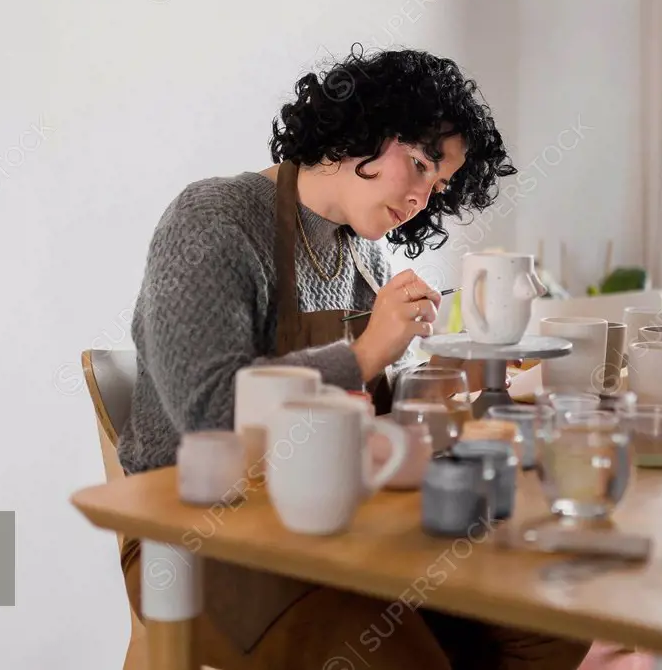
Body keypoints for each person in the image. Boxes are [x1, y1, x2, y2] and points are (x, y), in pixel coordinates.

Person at [115, 46, 590, 670]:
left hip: (332, 522)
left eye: (438, 184)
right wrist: (366, 351)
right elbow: (209, 409)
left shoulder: (361, 257)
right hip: (199, 533)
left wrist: (459, 377)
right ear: (360, 129)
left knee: (548, 625)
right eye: (418, 164)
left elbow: (369, 411)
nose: (423, 196)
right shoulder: (214, 219)